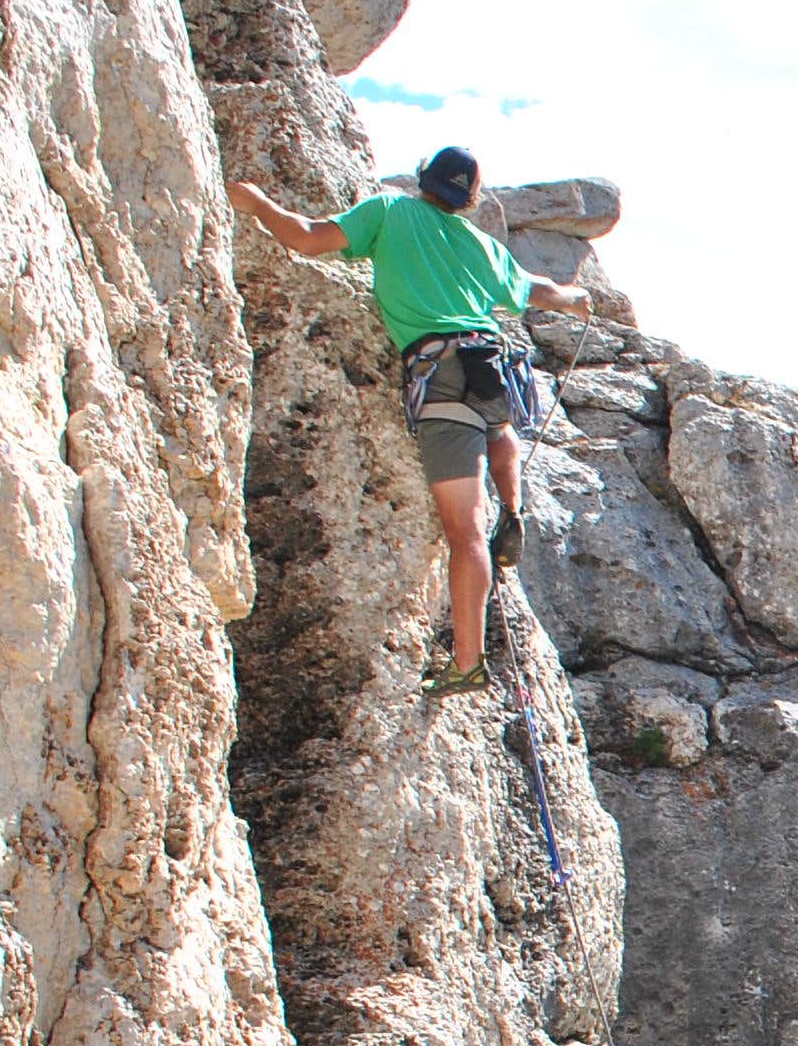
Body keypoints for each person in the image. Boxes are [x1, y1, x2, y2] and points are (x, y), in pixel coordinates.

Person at [226, 145, 597, 696]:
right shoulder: (481, 245)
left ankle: (468, 662)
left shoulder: (390, 211)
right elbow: (538, 290)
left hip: (439, 370)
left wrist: (256, 204)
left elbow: (305, 238)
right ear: (469, 198)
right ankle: (512, 506)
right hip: (488, 364)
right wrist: (575, 298)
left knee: (465, 530)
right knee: (498, 429)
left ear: (423, 177)